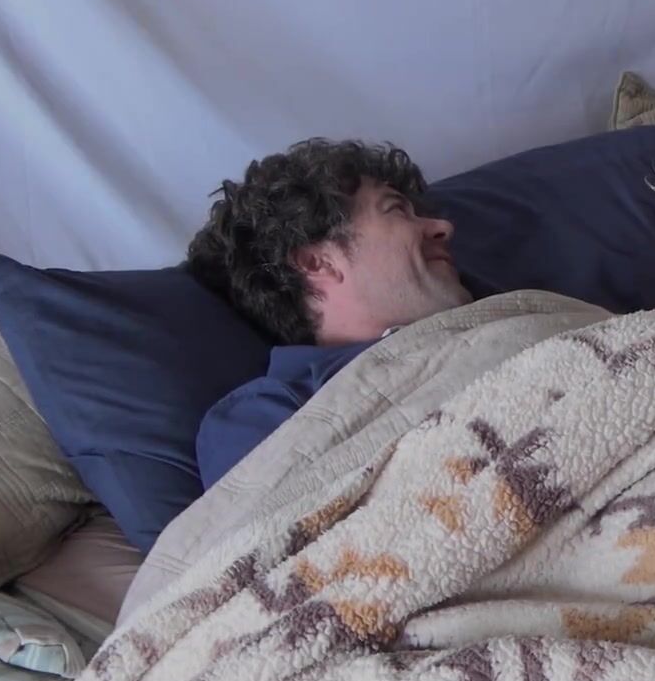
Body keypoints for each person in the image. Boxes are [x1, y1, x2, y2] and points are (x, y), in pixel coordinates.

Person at [185, 138, 473, 487]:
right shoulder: (264, 417)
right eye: (396, 210)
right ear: (317, 262)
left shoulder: (506, 315)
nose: (443, 227)